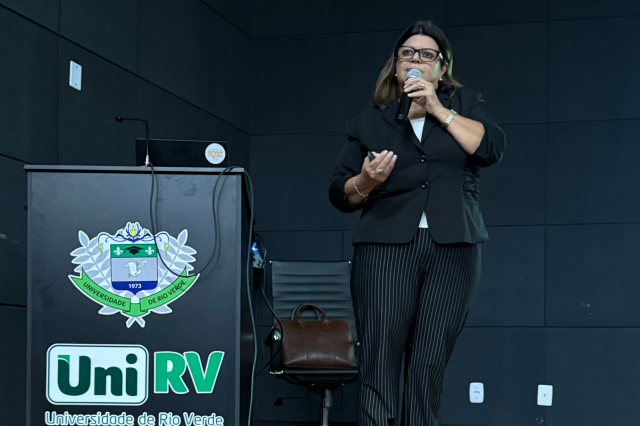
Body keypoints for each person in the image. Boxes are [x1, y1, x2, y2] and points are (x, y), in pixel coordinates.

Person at [328, 20, 506, 426]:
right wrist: (366, 181)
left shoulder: (466, 105)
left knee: (429, 361)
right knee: (380, 356)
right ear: (395, 67)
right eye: (407, 53)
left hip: (453, 247)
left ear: (441, 69)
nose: (416, 61)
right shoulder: (369, 119)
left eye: (427, 55)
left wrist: (438, 109)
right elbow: (340, 192)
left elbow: (490, 149)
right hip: (385, 247)